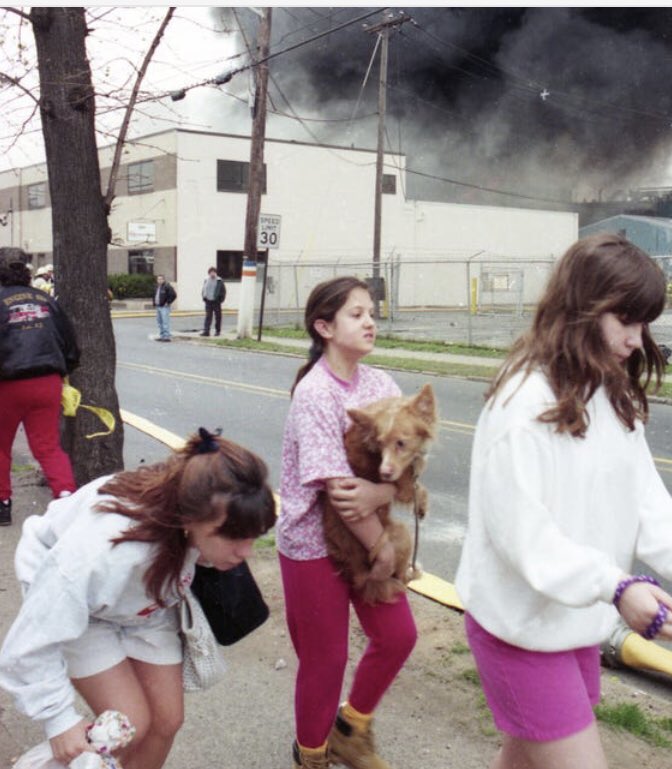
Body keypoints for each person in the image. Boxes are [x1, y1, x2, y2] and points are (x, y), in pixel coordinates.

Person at [455, 232, 672, 769]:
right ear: (580, 310)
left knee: (523, 758)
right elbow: (525, 537)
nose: (638, 339)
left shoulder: (607, 391)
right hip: (518, 630)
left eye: (644, 323)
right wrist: (616, 587)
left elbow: (642, 491)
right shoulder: (520, 405)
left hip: (570, 622)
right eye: (626, 320)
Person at [0, 428, 276, 769]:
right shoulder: (103, 550)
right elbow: (29, 641)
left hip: (143, 606)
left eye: (253, 537)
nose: (245, 553)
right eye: (234, 537)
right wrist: (58, 720)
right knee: (130, 723)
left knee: (166, 721)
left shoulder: (192, 502)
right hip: (84, 609)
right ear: (190, 520)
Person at [278, 276, 417, 769]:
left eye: (371, 311)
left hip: (366, 538)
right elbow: (338, 491)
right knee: (326, 660)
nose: (369, 321)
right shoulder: (314, 393)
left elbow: (403, 460)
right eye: (356, 314)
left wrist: (385, 491)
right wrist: (382, 546)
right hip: (312, 545)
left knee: (398, 636)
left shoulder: (381, 385)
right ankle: (311, 755)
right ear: (325, 327)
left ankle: (350, 730)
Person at [0, 251, 79, 526]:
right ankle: (66, 499)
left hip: (7, 384)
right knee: (47, 447)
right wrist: (63, 369)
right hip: (47, 381)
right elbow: (70, 344)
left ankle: (3, 504)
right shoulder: (47, 301)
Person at [200, 266, 226, 337]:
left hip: (216, 301)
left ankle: (217, 331)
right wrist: (204, 297)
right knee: (208, 316)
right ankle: (206, 331)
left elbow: (223, 291)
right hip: (208, 301)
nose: (212, 274)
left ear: (215, 273)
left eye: (213, 272)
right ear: (209, 273)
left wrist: (220, 300)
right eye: (211, 272)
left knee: (218, 317)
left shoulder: (219, 281)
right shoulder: (206, 280)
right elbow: (204, 289)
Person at [153, 274, 177, 342]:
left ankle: (166, 337)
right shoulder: (156, 287)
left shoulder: (167, 286)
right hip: (158, 307)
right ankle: (162, 335)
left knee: (165, 322)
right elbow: (155, 295)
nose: (159, 280)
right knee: (159, 322)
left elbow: (174, 295)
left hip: (164, 307)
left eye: (161, 279)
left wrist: (168, 302)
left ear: (163, 280)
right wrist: (154, 303)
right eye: (158, 279)